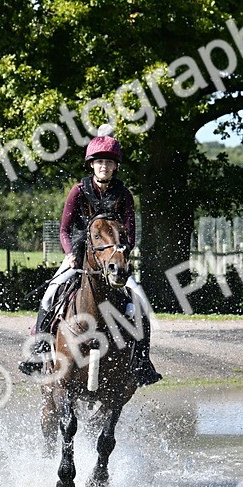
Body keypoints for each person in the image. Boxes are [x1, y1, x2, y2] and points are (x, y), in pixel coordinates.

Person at [19, 126, 162, 385]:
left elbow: (130, 233)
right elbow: (64, 229)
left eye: (108, 162)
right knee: (51, 293)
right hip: (79, 253)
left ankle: (142, 361)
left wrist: (122, 253)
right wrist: (70, 254)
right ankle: (39, 351)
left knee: (140, 301)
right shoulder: (78, 191)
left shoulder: (124, 195)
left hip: (113, 259)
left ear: (115, 166)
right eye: (100, 162)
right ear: (92, 165)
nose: (104, 166)